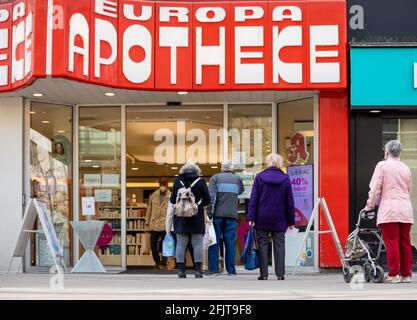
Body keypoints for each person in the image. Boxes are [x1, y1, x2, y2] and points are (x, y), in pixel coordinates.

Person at [364, 140, 414, 283]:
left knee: (392, 242)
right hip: (405, 209)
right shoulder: (405, 168)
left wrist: (369, 206)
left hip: (389, 210)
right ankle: (406, 274)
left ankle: (394, 274)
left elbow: (375, 189)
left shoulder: (382, 166)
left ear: (386, 152)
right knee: (405, 242)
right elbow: (408, 189)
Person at [247, 153, 295, 281]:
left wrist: (251, 217)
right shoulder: (285, 179)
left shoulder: (259, 178)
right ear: (279, 163)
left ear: (268, 162)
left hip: (262, 216)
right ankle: (280, 274)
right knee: (279, 243)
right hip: (280, 217)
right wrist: (291, 220)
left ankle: (264, 274)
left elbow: (254, 199)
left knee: (262, 244)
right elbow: (289, 202)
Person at [166, 160, 211, 278]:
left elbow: (172, 200)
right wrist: (198, 203)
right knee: (197, 244)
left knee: (180, 244)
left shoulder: (177, 181)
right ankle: (197, 271)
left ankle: (181, 271)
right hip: (196, 217)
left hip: (180, 218)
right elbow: (207, 200)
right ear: (197, 171)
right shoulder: (201, 182)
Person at [207, 160, 244, 276]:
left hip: (217, 215)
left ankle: (213, 270)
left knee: (214, 243)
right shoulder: (237, 179)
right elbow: (241, 191)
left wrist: (209, 214)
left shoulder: (215, 178)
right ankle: (231, 270)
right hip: (231, 215)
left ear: (222, 168)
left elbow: (211, 198)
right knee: (230, 244)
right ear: (232, 168)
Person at [145, 177, 171, 270]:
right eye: (161, 183)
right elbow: (149, 209)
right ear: (159, 184)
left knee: (166, 245)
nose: (162, 185)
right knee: (153, 244)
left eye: (164, 183)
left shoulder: (171, 196)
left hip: (165, 225)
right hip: (154, 224)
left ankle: (163, 263)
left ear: (167, 184)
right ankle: (157, 261)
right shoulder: (154, 195)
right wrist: (147, 221)